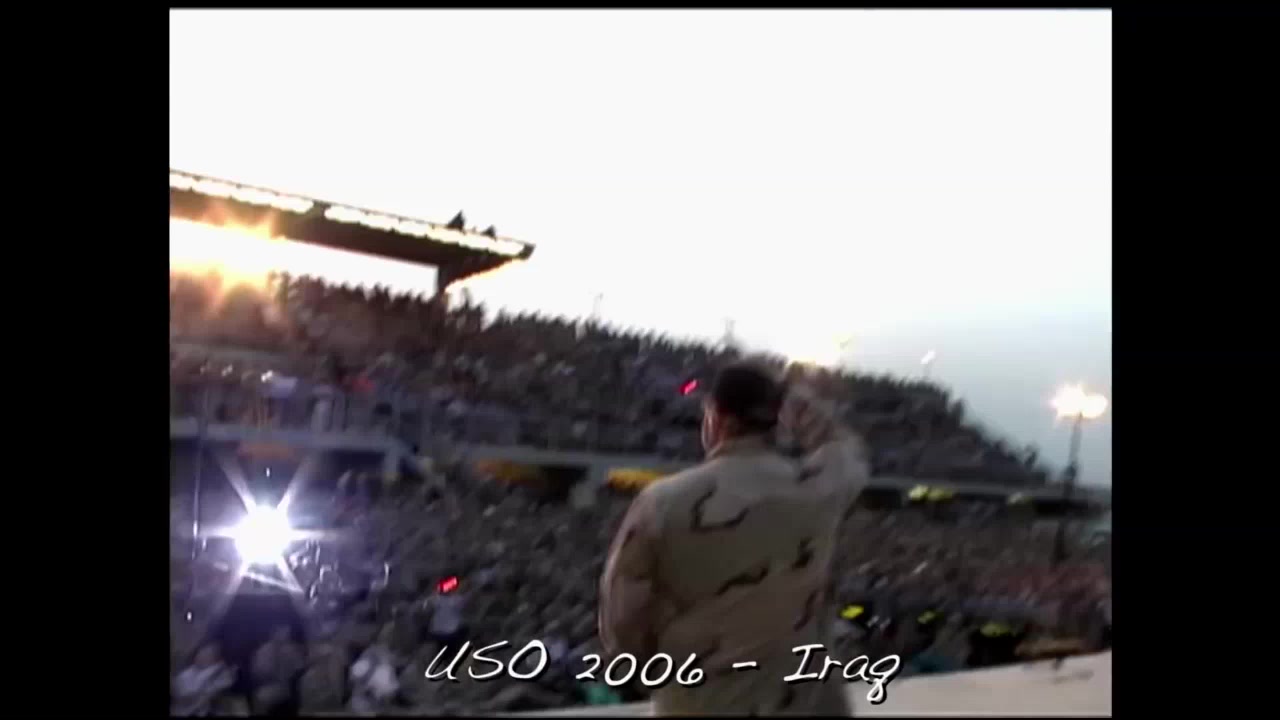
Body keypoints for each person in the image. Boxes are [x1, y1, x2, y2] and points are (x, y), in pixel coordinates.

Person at [599, 361, 871, 715]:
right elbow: (846, 449)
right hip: (803, 700)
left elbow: (623, 618)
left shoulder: (663, 501)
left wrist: (651, 672)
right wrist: (799, 405)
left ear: (718, 420)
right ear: (777, 422)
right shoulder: (820, 485)